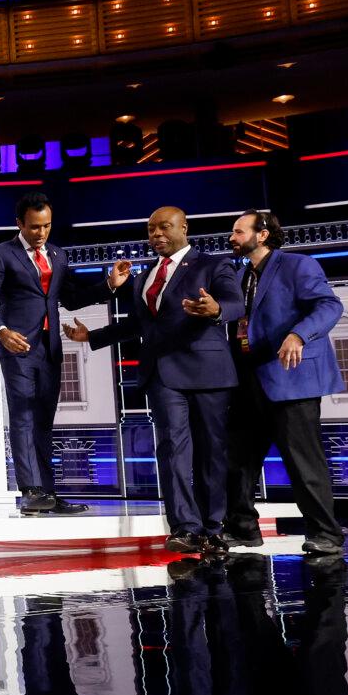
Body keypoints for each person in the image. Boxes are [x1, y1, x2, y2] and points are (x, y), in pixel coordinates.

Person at [64, 207, 242, 553]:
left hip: (207, 373)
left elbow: (236, 303)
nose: (156, 234)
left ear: (184, 228)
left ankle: (213, 526)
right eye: (150, 229)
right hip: (162, 374)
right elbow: (137, 325)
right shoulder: (146, 276)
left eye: (164, 227)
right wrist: (92, 337)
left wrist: (217, 310)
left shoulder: (213, 265)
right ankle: (185, 527)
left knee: (211, 453)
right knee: (173, 450)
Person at [0, 192, 131, 514]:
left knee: (44, 420)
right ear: (20, 224)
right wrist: (1, 332)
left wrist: (109, 285)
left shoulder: (58, 256)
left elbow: (71, 299)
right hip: (17, 346)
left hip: (50, 348)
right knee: (23, 416)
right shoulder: (0, 254)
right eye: (34, 227)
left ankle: (47, 491)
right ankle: (30, 490)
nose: (41, 233)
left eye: (46, 226)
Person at [223, 210, 345, 555]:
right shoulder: (240, 274)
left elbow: (328, 306)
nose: (232, 237)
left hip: (290, 378)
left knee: (303, 462)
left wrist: (298, 335)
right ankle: (243, 529)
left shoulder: (297, 265)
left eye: (238, 231)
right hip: (247, 379)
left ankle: (326, 535)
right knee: (238, 461)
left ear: (261, 235)